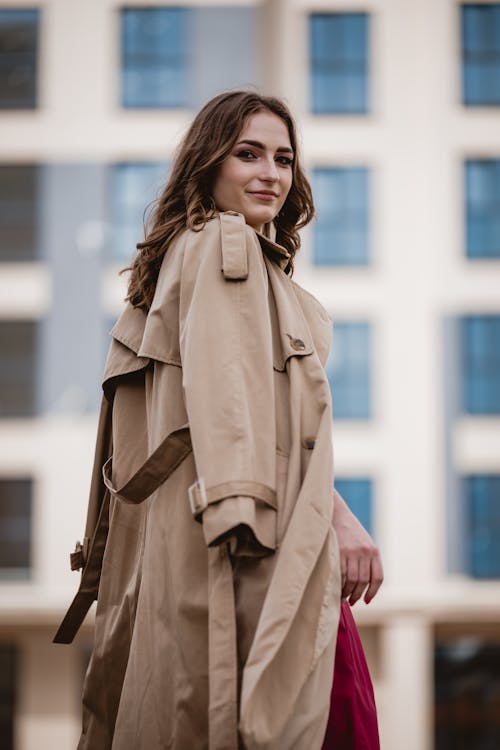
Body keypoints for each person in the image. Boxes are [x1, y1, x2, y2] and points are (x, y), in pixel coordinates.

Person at [54, 90, 384, 750]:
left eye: (284, 159)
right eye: (248, 153)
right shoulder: (225, 246)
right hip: (259, 552)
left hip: (191, 558)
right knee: (324, 721)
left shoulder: (185, 256)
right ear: (209, 164)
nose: (271, 173)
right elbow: (241, 420)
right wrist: (337, 519)